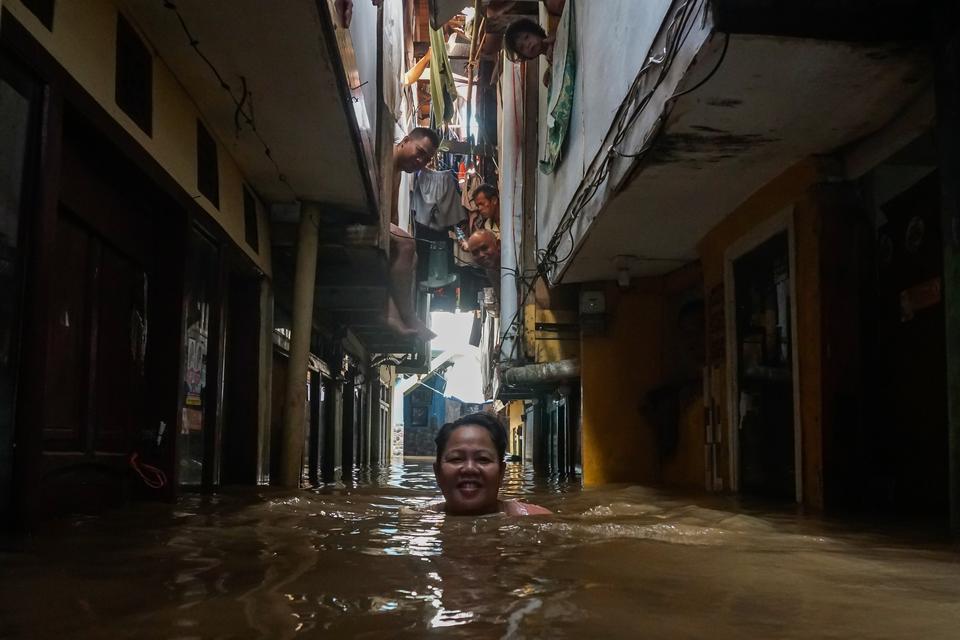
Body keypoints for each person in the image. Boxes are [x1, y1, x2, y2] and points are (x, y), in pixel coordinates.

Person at [432, 413, 551, 516]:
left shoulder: (536, 518)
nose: (469, 468)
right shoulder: (418, 520)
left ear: (501, 473)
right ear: (438, 473)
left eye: (483, 459)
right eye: (456, 459)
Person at [388, 127, 442, 341]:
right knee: (407, 244)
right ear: (405, 140)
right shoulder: (383, 157)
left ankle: (393, 314)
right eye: (419, 152)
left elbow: (391, 218)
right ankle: (408, 316)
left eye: (426, 159)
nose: (421, 161)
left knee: (412, 254)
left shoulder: (398, 172)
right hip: (357, 217)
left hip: (375, 225)